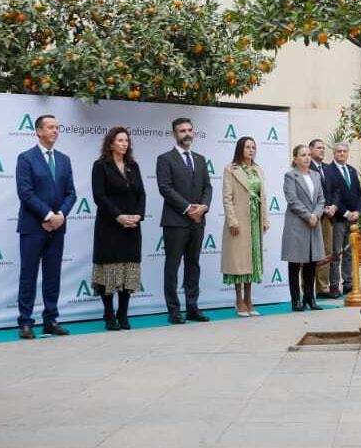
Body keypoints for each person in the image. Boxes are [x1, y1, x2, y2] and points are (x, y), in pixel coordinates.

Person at [15, 114, 76, 339]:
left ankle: (50, 319)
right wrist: (48, 214)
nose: (55, 131)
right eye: (50, 127)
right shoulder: (26, 158)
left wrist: (60, 215)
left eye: (57, 127)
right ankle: (25, 322)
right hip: (33, 227)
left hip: (58, 227)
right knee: (29, 275)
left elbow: (71, 193)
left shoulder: (64, 159)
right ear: (39, 131)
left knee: (53, 276)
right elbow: (25, 192)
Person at [156, 117, 213, 324]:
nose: (187, 134)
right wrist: (188, 208)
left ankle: (192, 308)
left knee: (193, 265)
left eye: (189, 130)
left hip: (198, 221)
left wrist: (203, 207)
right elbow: (165, 188)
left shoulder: (200, 158)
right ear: (174, 134)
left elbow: (208, 187)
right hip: (175, 222)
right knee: (172, 266)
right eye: (182, 131)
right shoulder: (165, 159)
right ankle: (173, 311)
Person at [93, 127, 146, 329]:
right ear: (111, 143)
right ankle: (108, 314)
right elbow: (100, 196)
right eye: (120, 140)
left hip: (132, 226)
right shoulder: (100, 166)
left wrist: (138, 215)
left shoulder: (133, 165)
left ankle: (123, 314)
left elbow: (142, 193)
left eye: (126, 140)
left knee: (128, 272)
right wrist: (119, 216)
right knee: (109, 271)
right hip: (109, 226)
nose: (124, 143)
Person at [221, 136, 266, 317]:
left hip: (254, 221)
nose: (251, 150)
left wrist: (265, 220)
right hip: (239, 221)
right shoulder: (230, 169)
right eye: (247, 147)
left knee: (252, 261)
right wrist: (232, 221)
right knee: (238, 262)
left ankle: (249, 299)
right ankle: (238, 301)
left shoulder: (257, 170)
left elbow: (263, 197)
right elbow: (227, 197)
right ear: (240, 149)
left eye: (253, 147)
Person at [281, 145, 325, 311]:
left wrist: (316, 215)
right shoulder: (290, 175)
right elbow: (292, 200)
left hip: (314, 223)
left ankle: (310, 298)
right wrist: (308, 216)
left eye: (308, 155)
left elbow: (321, 199)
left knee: (312, 263)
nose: (307, 158)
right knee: (295, 264)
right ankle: (296, 300)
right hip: (298, 224)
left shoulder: (316, 175)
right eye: (303, 155)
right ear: (295, 158)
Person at [320, 142, 361, 298]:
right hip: (338, 219)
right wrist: (345, 213)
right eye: (339, 151)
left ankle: (348, 283)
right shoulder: (328, 171)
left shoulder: (351, 170)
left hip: (353, 220)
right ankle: (334, 285)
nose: (342, 154)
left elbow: (359, 194)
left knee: (350, 252)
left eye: (344, 151)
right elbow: (332, 195)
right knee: (336, 253)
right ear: (334, 153)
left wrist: (358, 211)